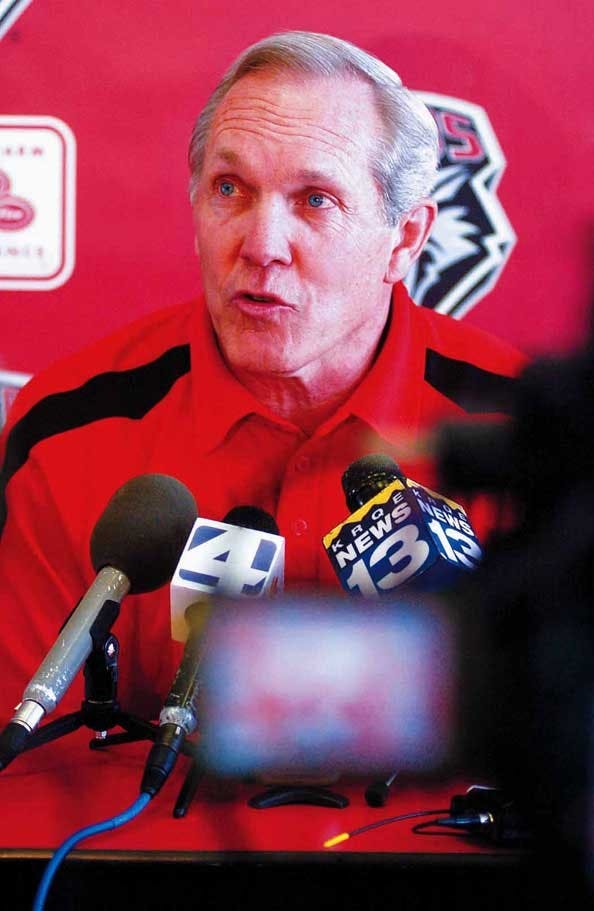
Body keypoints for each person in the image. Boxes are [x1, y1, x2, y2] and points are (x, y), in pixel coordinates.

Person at [0, 31, 525, 724]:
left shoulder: (523, 438)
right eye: (230, 189)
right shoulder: (68, 432)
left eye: (315, 200)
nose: (261, 245)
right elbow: (29, 777)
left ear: (403, 240)